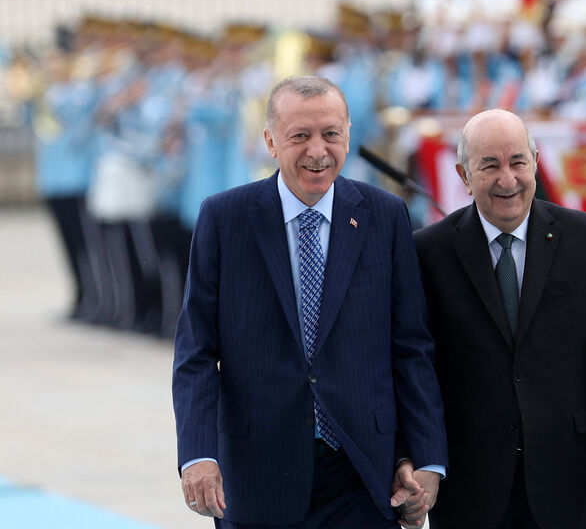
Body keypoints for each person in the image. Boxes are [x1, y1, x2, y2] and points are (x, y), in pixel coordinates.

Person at [172, 75, 447, 528]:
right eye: (300, 136)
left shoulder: (385, 215)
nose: (318, 151)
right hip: (256, 472)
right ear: (270, 141)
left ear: (349, 135)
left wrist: (425, 456)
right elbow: (196, 353)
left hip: (362, 471)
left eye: (330, 134)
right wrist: (198, 455)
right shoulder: (225, 220)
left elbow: (410, 347)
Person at [410, 108, 586, 529]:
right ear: (463, 175)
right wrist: (420, 458)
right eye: (490, 166)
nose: (508, 179)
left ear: (536, 163)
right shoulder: (428, 251)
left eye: (518, 162)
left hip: (576, 484)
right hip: (472, 491)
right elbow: (417, 368)